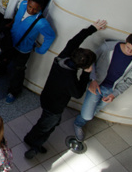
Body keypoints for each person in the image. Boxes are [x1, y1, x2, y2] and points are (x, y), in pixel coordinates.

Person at [23, 20, 105, 159]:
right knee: (46, 125)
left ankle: (31, 139)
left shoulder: (64, 56)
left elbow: (75, 39)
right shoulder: (70, 79)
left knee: (48, 122)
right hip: (54, 107)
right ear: (83, 66)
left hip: (47, 96)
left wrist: (93, 28)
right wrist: (86, 74)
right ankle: (34, 145)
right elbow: (78, 93)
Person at [73, 31, 132, 142]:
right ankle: (78, 123)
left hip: (112, 90)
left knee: (93, 112)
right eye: (128, 47)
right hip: (97, 85)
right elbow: (91, 61)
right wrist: (93, 80)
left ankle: (81, 121)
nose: (129, 51)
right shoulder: (108, 47)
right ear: (126, 41)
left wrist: (114, 94)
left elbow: (129, 80)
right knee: (88, 115)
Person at [4, 0, 57, 104]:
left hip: (23, 49)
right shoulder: (23, 5)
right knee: (4, 59)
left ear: (40, 8)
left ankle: (14, 92)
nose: (31, 10)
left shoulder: (41, 22)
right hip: (11, 41)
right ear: (27, 3)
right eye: (30, 6)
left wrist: (40, 50)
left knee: (18, 71)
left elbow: (50, 36)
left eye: (35, 9)